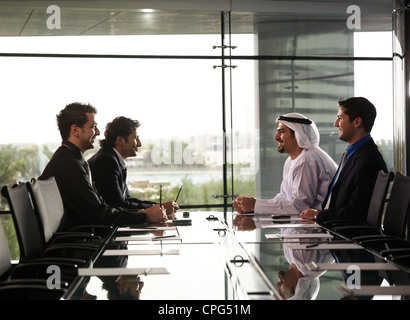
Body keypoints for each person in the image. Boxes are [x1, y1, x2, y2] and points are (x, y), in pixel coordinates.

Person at [39, 102, 167, 231]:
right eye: (93, 127)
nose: (98, 132)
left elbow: (101, 206)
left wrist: (145, 213)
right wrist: (144, 216)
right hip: (77, 244)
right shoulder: (68, 165)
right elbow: (99, 214)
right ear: (75, 130)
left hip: (82, 237)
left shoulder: (71, 159)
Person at [300, 97, 388, 225]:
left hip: (345, 235)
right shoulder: (353, 154)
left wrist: (319, 215)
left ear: (357, 122)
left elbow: (355, 212)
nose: (336, 124)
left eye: (340, 118)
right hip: (333, 228)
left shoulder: (369, 161)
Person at [232, 113, 338, 215]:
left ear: (297, 135)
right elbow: (283, 197)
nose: (276, 137)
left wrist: (256, 205)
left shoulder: (307, 159)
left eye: (281, 132)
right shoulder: (291, 161)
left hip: (316, 228)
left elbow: (298, 207)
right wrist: (253, 207)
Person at [88, 116, 178, 215]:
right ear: (120, 140)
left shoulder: (114, 159)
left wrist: (158, 206)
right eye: (135, 138)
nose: (139, 144)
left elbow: (127, 199)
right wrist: (160, 207)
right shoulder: (106, 161)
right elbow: (118, 204)